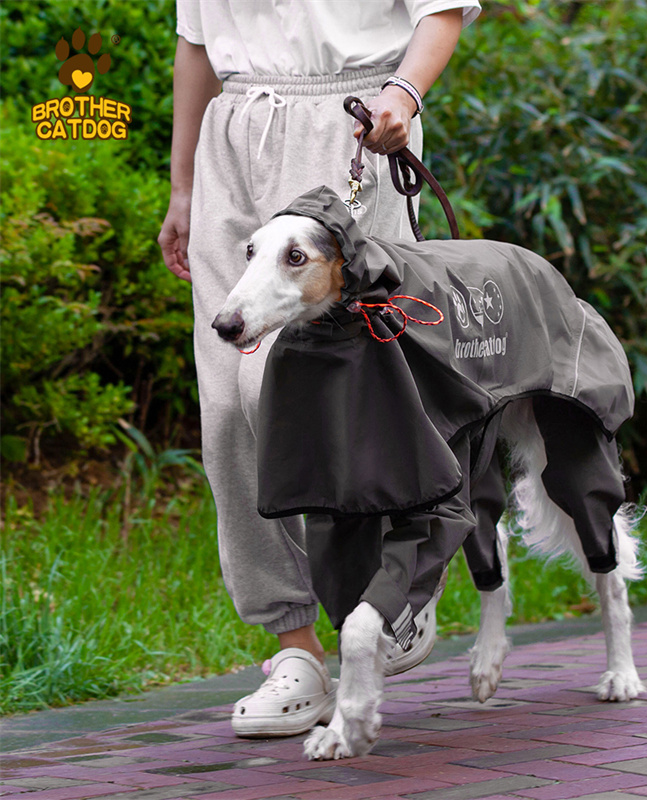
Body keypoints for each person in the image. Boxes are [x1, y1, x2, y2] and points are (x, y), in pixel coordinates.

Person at [158, 0, 481, 738]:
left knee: (344, 384)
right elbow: (196, 43)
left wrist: (403, 95)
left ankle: (394, 582)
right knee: (229, 404)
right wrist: (182, 187)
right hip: (231, 136)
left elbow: (443, 12)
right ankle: (293, 646)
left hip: (348, 124)